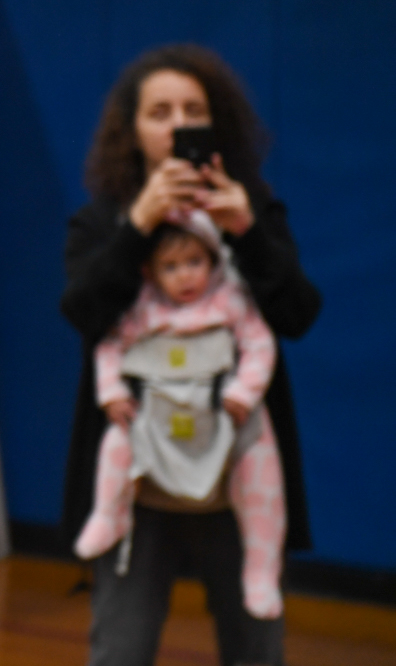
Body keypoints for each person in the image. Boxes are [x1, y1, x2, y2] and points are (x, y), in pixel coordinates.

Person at [60, 44, 321, 666]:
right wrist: (139, 227)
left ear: (215, 123)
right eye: (160, 112)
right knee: (120, 649)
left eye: (192, 110)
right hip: (139, 480)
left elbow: (298, 314)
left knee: (255, 647)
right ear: (132, 131)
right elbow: (84, 314)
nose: (178, 124)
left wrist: (246, 232)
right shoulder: (103, 220)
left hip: (236, 474)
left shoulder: (250, 208)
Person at [73, 213, 284, 620]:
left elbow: (260, 344)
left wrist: (243, 392)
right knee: (116, 442)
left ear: (214, 260)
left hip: (222, 419)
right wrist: (112, 393)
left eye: (194, 262)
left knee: (261, 461)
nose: (185, 275)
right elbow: (109, 347)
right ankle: (108, 514)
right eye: (170, 267)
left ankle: (261, 568)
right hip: (154, 420)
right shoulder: (142, 308)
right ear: (149, 272)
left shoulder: (230, 300)